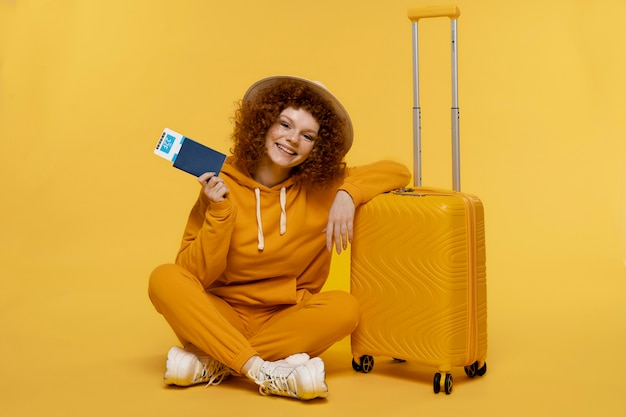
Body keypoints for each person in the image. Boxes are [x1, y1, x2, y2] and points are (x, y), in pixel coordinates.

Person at [148, 75, 411, 400]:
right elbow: (193, 276)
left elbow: (398, 170)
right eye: (285, 124)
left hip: (285, 317)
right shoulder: (220, 181)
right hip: (222, 314)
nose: (292, 140)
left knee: (345, 308)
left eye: (307, 135)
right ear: (264, 123)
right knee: (164, 278)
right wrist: (218, 212)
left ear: (318, 147)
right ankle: (261, 371)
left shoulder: (325, 186)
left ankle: (214, 361)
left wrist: (348, 193)